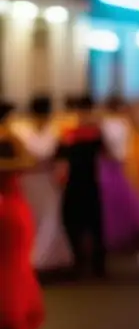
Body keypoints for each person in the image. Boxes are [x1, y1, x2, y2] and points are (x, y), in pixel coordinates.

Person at [0, 100, 46, 329]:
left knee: (11, 276)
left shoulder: (10, 138)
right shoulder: (11, 136)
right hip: (11, 212)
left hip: (10, 213)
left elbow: (30, 162)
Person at [11, 95, 72, 271]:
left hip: (28, 178)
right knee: (49, 216)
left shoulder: (19, 128)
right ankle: (40, 257)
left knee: (37, 217)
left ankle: (39, 255)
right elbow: (53, 154)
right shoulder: (54, 129)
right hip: (44, 177)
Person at [56, 96, 109, 279]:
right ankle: (87, 261)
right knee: (82, 223)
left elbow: (60, 156)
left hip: (83, 182)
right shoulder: (87, 132)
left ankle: (90, 262)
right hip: (82, 182)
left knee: (87, 224)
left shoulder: (76, 133)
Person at [99, 95, 139, 251]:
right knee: (123, 199)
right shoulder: (125, 123)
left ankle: (112, 236)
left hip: (108, 165)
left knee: (109, 203)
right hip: (121, 164)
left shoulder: (104, 124)